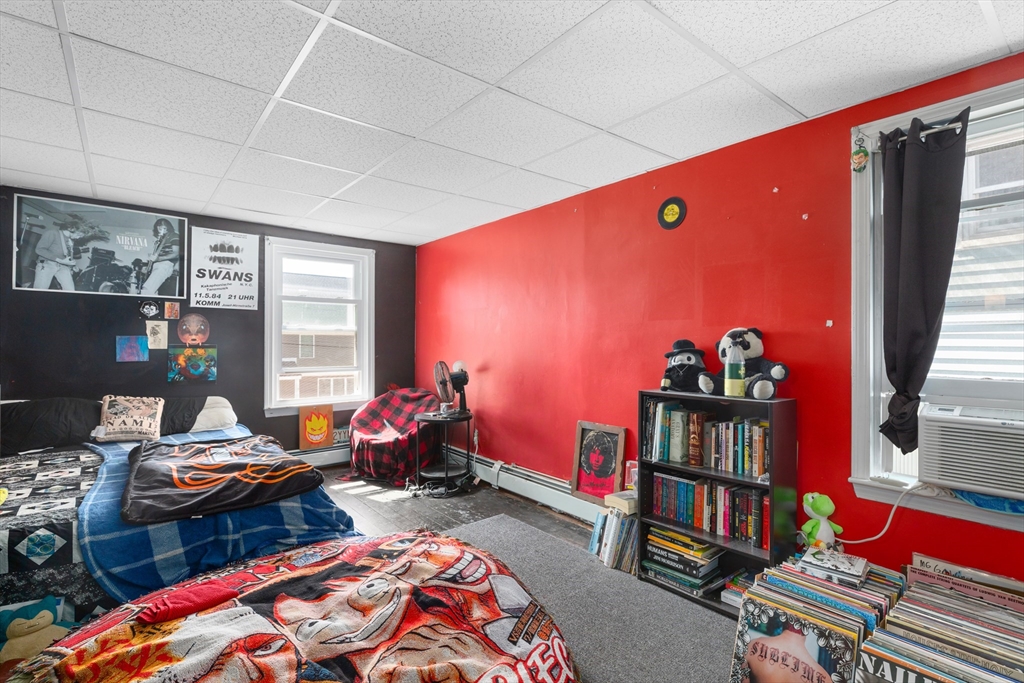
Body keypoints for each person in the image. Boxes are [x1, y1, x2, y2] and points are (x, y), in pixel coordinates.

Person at [32, 221, 80, 290]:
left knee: (70, 290)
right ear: (72, 229)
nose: (78, 238)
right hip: (47, 264)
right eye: (79, 235)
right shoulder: (52, 233)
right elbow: (39, 250)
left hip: (63, 266)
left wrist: (72, 265)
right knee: (40, 290)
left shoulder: (70, 240)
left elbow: (66, 256)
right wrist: (60, 261)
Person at [140, 218, 179, 295]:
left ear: (168, 226)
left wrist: (159, 258)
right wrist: (148, 268)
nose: (160, 227)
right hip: (157, 265)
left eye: (163, 225)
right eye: (158, 226)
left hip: (165, 265)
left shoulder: (174, 235)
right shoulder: (161, 240)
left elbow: (176, 253)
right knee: (153, 293)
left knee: (146, 290)